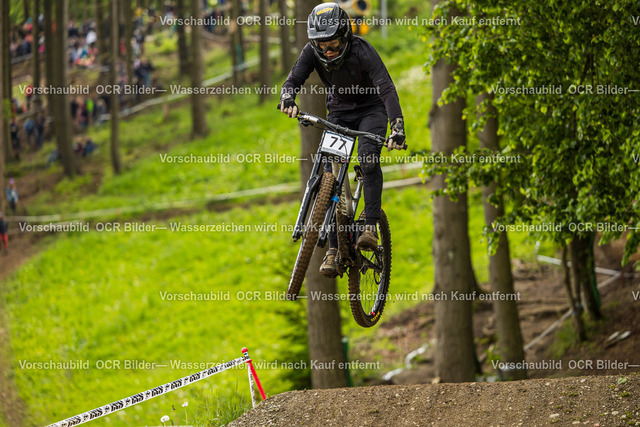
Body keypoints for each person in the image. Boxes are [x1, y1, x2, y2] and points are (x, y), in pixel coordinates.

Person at [279, 2, 406, 277]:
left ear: (345, 36)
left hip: (371, 110)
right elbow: (293, 79)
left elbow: (386, 89)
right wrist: (287, 98)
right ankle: (334, 250)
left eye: (333, 44)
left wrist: (397, 126)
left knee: (368, 159)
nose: (327, 51)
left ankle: (370, 225)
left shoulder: (363, 51)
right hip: (338, 112)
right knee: (331, 173)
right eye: (321, 45)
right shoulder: (311, 52)